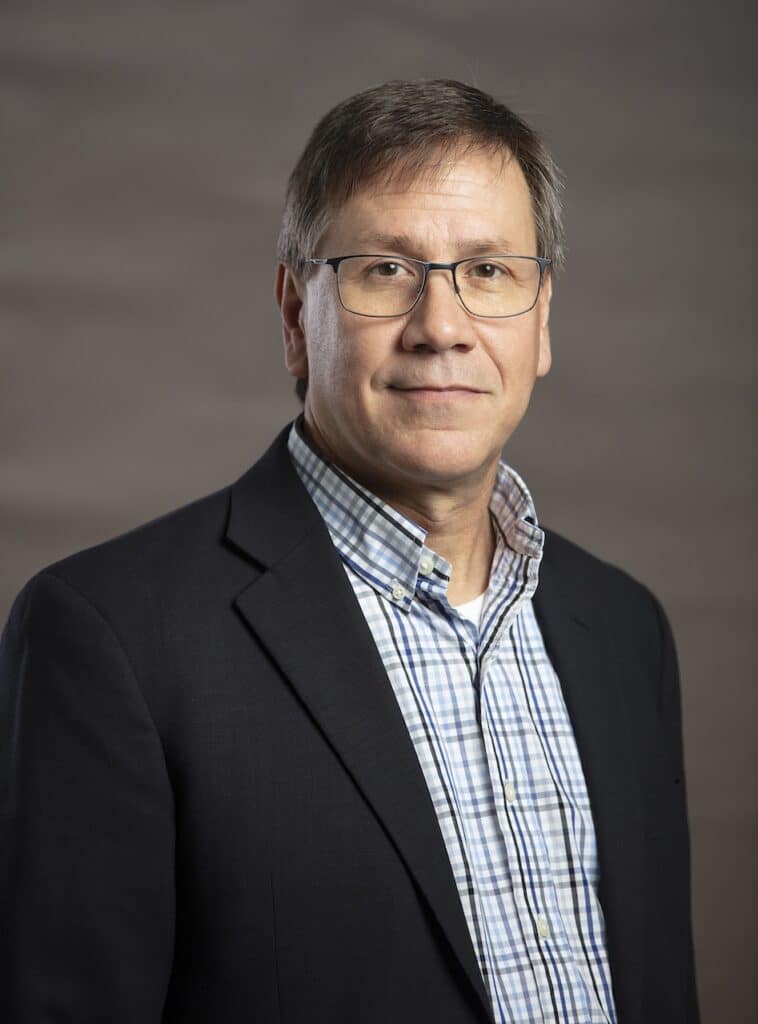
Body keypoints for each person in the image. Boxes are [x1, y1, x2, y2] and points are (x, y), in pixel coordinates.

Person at [0, 79, 699, 1024]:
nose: (442, 326)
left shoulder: (623, 630)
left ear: (542, 322)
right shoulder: (113, 638)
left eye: (490, 271)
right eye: (384, 269)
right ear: (297, 316)